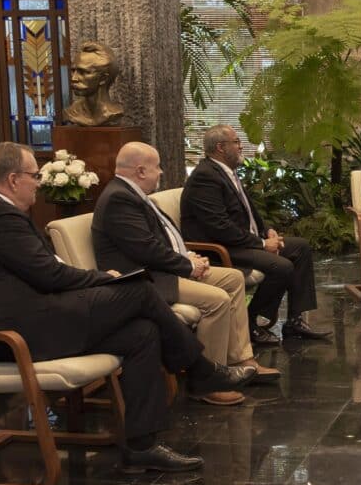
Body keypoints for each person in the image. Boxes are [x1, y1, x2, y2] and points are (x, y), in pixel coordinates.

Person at [0, 142, 251, 473]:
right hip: (21, 331)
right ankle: (201, 369)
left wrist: (101, 280)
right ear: (13, 180)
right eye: (34, 176)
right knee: (139, 290)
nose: (39, 183)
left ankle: (142, 446)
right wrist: (101, 279)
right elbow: (48, 273)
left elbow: (43, 271)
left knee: (143, 333)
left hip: (42, 316)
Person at [92, 142, 278, 406]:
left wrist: (187, 257)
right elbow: (145, 250)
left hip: (164, 269)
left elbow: (159, 240)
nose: (161, 172)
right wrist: (187, 265)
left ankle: (238, 359)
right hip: (146, 279)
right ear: (141, 170)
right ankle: (207, 382)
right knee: (217, 299)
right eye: (157, 167)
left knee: (233, 278)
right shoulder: (118, 198)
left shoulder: (133, 193)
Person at [180, 125, 331, 343]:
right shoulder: (205, 177)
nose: (241, 145)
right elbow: (219, 227)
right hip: (220, 248)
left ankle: (294, 321)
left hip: (241, 242)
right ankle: (249, 323)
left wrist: (267, 230)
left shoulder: (226, 172)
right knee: (281, 266)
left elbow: (249, 211)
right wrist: (261, 244)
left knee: (300, 247)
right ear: (221, 147)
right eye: (236, 141)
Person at [63, 42, 124, 126]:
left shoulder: (113, 114)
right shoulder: (72, 112)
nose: (74, 78)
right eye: (73, 71)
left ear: (103, 78)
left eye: (83, 72)